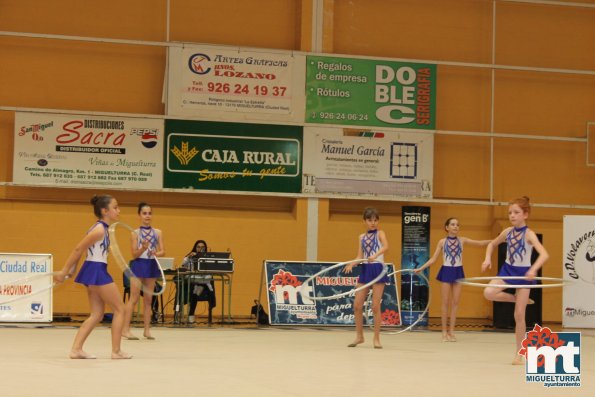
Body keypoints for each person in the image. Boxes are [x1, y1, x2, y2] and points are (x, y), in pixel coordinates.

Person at [54, 195, 131, 359]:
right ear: (105, 211)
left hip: (94, 268)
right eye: (115, 207)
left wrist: (72, 270)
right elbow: (78, 249)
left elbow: (83, 252)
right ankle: (116, 351)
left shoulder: (101, 228)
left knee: (97, 314)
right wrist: (64, 270)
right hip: (97, 270)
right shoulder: (99, 230)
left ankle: (76, 349)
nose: (119, 210)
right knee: (120, 309)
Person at [481, 196, 549, 365]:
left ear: (525, 214)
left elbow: (544, 254)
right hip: (507, 270)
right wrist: (487, 259)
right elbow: (491, 244)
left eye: (516, 212)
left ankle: (519, 354)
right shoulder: (507, 232)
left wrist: (533, 269)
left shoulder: (529, 234)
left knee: (519, 315)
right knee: (488, 293)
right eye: (510, 212)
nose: (512, 215)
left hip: (523, 274)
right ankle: (515, 299)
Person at [414, 218, 490, 342]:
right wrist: (421, 268)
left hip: (458, 271)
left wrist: (496, 240)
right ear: (447, 227)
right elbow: (433, 259)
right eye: (453, 224)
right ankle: (444, 332)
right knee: (445, 303)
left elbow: (480, 243)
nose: (455, 227)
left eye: (457, 225)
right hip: (447, 270)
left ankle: (452, 332)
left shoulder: (462, 240)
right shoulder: (442, 242)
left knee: (455, 303)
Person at [344, 207, 389, 349]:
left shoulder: (380, 233)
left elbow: (386, 246)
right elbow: (360, 256)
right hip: (365, 269)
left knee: (375, 306)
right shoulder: (361, 237)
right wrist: (352, 263)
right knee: (357, 305)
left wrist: (375, 256)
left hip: (378, 269)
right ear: (364, 221)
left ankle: (376, 338)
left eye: (375, 220)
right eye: (370, 220)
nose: (373, 223)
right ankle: (359, 336)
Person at [122, 202, 165, 340]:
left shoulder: (158, 232)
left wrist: (156, 253)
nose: (147, 216)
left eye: (149, 213)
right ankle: (125, 329)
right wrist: (143, 248)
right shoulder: (135, 233)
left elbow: (163, 251)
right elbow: (134, 254)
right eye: (144, 213)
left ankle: (147, 330)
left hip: (151, 264)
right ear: (139, 215)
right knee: (133, 298)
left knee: (148, 300)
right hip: (139, 264)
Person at [176, 240, 215, 323]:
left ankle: (190, 314)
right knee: (192, 288)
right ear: (195, 247)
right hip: (191, 281)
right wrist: (189, 257)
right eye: (198, 247)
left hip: (203, 282)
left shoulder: (208, 258)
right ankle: (181, 313)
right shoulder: (189, 257)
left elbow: (210, 275)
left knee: (195, 290)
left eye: (202, 247)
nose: (200, 249)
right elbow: (183, 266)